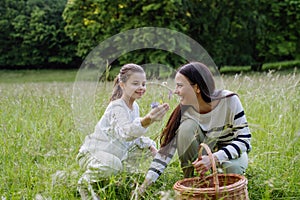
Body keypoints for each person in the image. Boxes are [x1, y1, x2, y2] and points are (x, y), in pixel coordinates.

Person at [136, 61, 251, 195]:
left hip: (229, 153)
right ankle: (191, 182)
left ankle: (217, 181)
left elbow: (245, 139)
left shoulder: (229, 100)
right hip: (204, 151)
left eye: (180, 86)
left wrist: (214, 158)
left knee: (230, 172)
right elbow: (164, 154)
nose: (175, 91)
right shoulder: (186, 110)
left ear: (196, 88)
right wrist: (144, 186)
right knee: (186, 128)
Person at [76, 63, 170, 199]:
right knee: (114, 165)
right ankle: (84, 183)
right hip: (93, 154)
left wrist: (150, 146)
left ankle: (120, 178)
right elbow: (126, 133)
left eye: (144, 84)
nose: (141, 88)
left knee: (146, 148)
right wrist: (147, 120)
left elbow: (134, 136)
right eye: (135, 83)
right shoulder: (116, 107)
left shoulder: (134, 106)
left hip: (113, 153)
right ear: (122, 84)